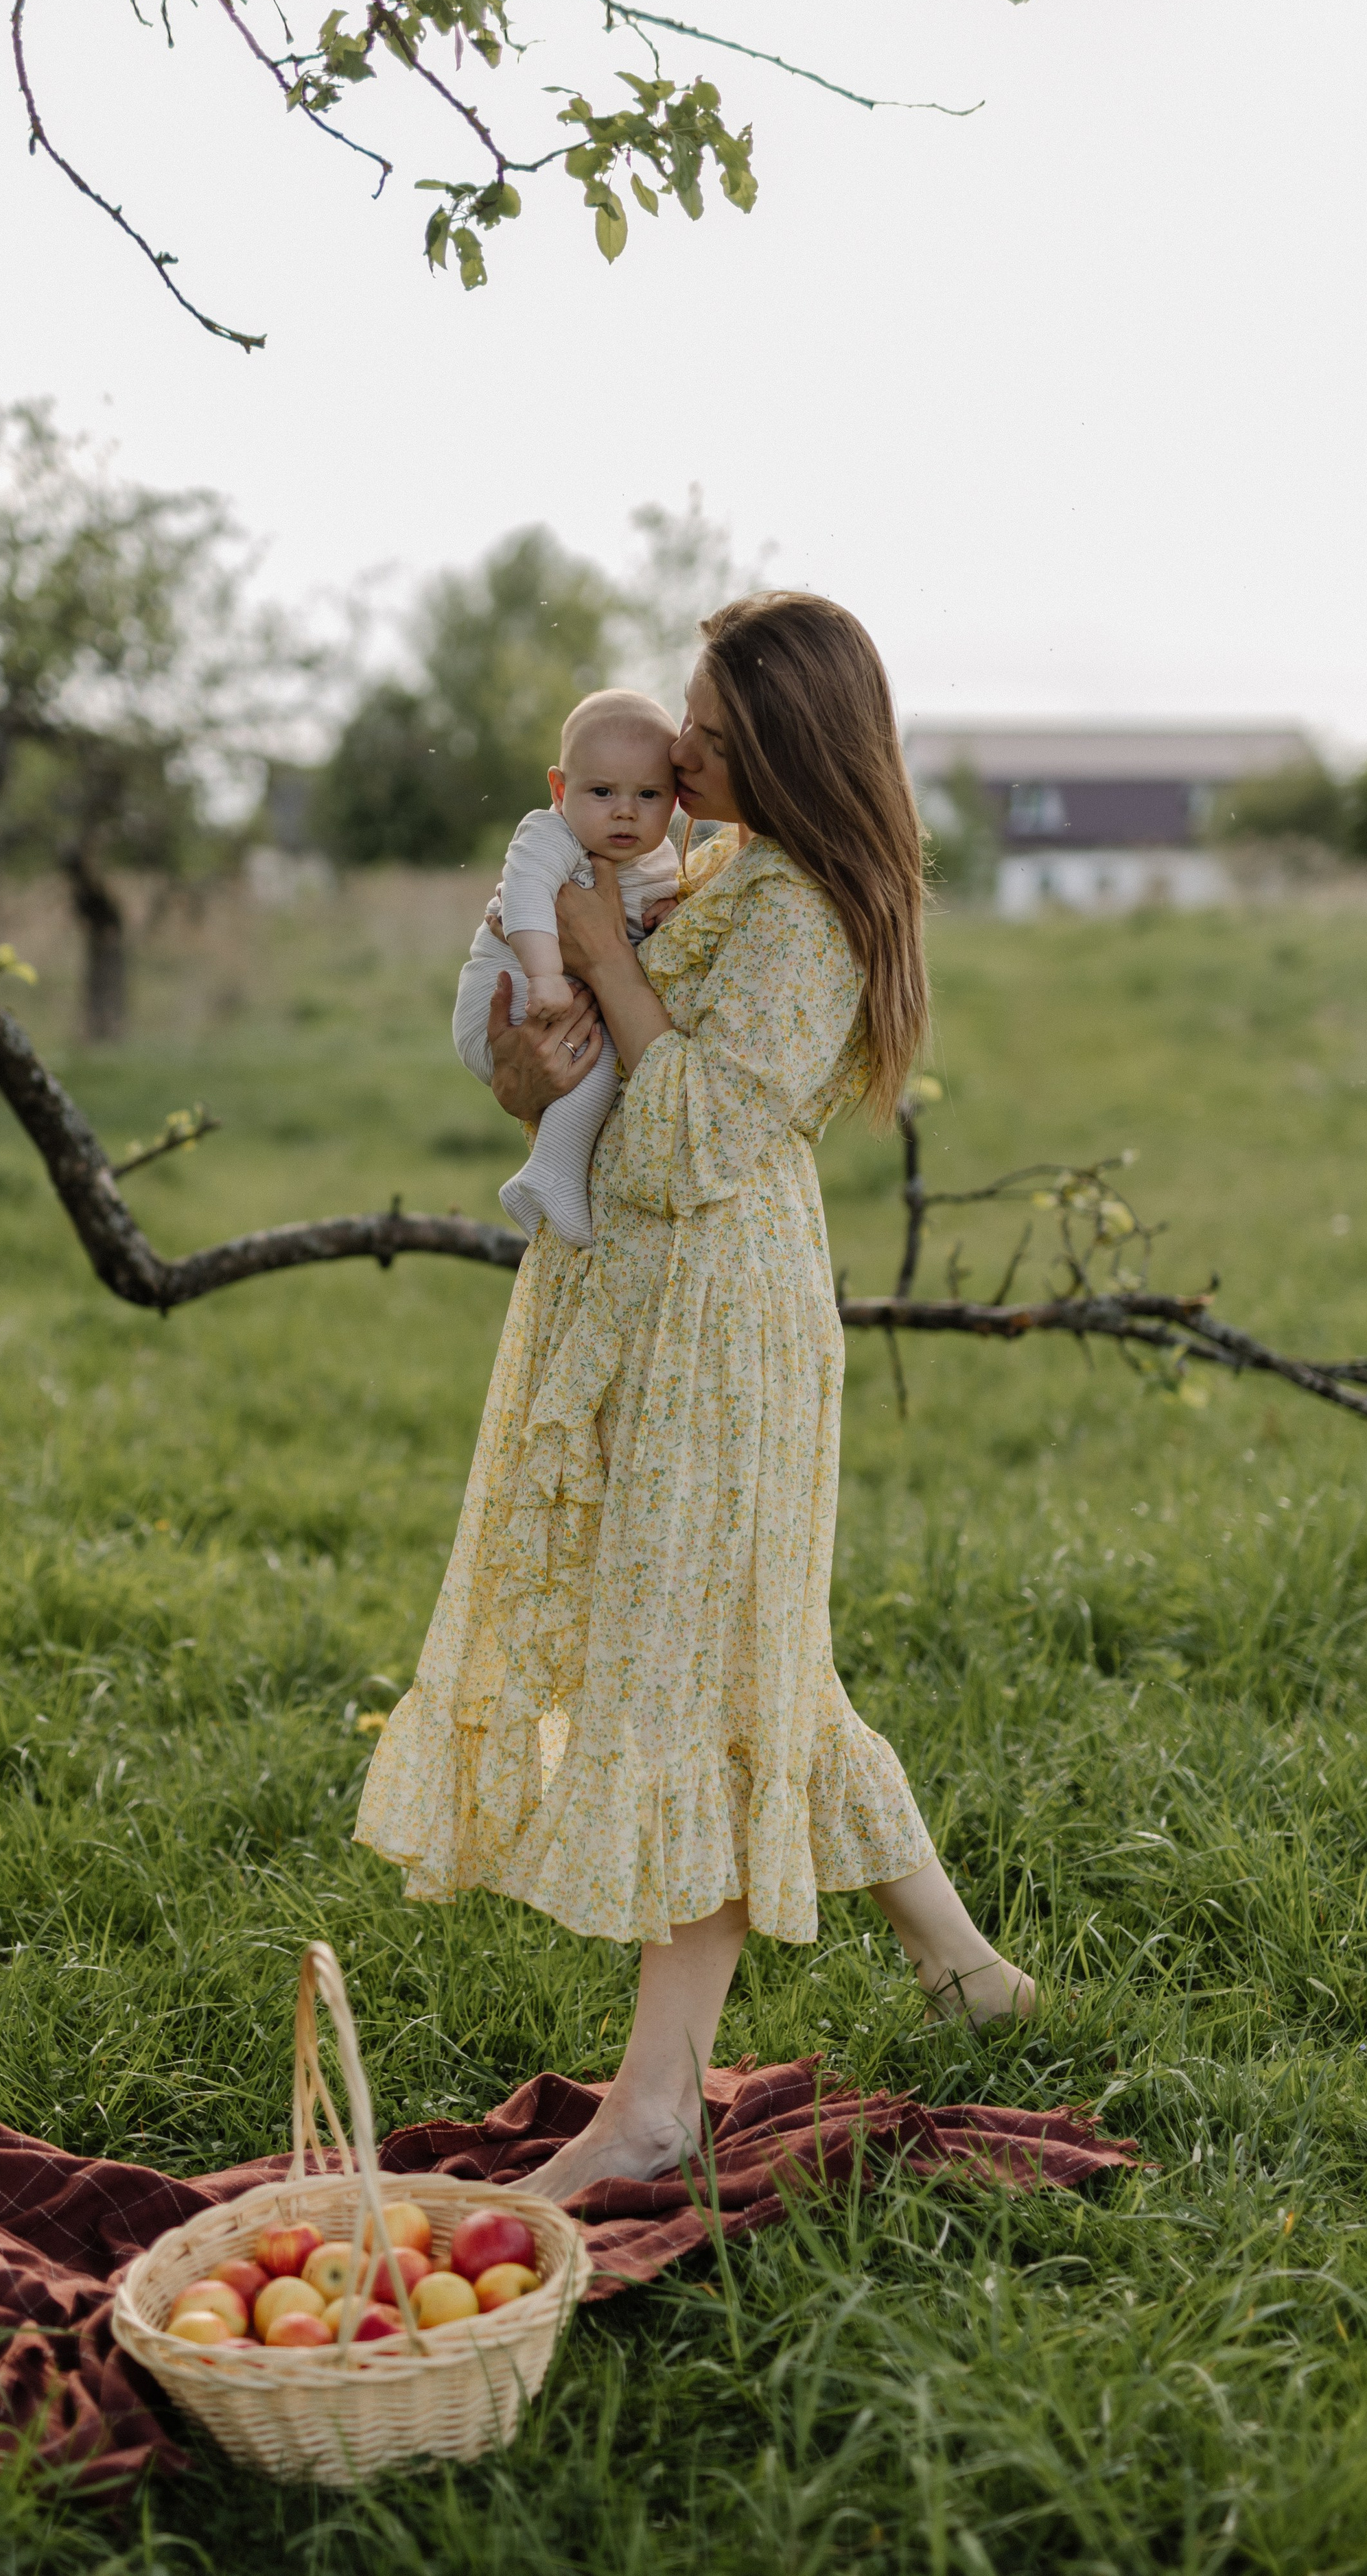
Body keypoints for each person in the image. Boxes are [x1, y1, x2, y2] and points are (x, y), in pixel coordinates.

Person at [355, 592, 1034, 2203]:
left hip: (718, 1325)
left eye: (716, 739)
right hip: (630, 1304)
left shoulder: (807, 916)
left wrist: (601, 955)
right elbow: (555, 1076)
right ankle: (967, 1976)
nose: (680, 754)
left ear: (791, 750)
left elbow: (681, 1144)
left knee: (691, 1673)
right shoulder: (706, 862)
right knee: (748, 1656)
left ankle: (655, 2102)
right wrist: (540, 1025)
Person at [452, 688, 682, 1249]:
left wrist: (670, 909)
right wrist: (548, 975)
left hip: (561, 1009)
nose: (625, 810)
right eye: (601, 791)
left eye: (648, 794)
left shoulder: (656, 857)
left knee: (603, 1052)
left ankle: (547, 1175)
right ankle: (551, 1173)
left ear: (673, 801)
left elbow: (639, 913)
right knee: (600, 1048)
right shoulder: (550, 834)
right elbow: (525, 898)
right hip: (505, 1000)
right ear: (560, 789)